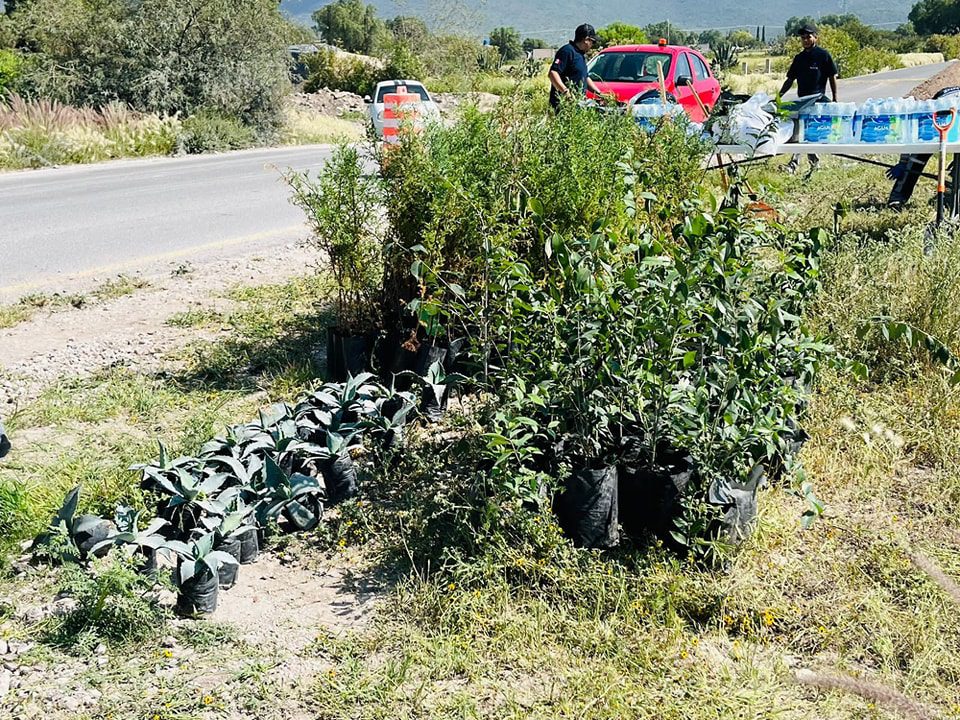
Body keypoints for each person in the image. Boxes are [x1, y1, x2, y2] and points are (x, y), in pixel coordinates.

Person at [779, 23, 839, 176]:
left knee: (809, 133)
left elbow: (832, 77)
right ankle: (804, 162)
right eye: (803, 37)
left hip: (818, 100)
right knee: (801, 133)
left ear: (815, 38)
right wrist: (778, 96)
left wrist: (835, 98)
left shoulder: (823, 55)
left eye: (808, 37)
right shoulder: (799, 58)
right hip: (802, 101)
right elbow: (790, 79)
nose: (805, 40)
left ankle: (803, 163)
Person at [888, 86, 960, 210]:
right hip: (932, 129)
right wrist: (903, 162)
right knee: (917, 158)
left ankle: (955, 194)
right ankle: (897, 199)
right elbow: (911, 139)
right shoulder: (928, 118)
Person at [548, 23, 605, 113]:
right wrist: (566, 93)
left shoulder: (581, 55)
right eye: (593, 42)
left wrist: (599, 94)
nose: (593, 45)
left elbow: (585, 77)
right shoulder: (567, 51)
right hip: (563, 105)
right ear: (586, 40)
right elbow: (553, 73)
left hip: (577, 104)